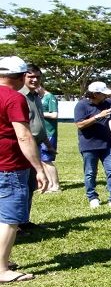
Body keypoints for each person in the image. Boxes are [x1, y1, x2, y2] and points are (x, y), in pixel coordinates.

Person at [0, 56, 48, 283]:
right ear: (20, 77)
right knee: (10, 218)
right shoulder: (14, 98)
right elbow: (23, 135)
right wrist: (38, 168)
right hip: (9, 165)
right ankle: (1, 269)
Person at [74, 81, 111, 209]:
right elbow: (79, 125)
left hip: (108, 144)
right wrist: (98, 117)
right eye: (103, 94)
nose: (106, 96)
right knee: (90, 173)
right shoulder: (81, 105)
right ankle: (92, 197)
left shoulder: (107, 102)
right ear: (95, 94)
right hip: (89, 145)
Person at [18, 64, 53, 232]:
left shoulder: (36, 96)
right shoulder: (19, 96)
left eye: (38, 77)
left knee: (30, 185)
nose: (34, 80)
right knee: (19, 186)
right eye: (30, 76)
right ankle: (14, 224)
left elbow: (39, 123)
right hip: (22, 147)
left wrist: (47, 144)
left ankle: (24, 220)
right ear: (22, 77)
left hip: (36, 145)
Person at [38, 85, 61, 192]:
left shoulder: (50, 97)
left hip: (50, 133)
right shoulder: (39, 98)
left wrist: (39, 114)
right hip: (42, 133)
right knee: (42, 160)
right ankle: (50, 184)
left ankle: (56, 185)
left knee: (47, 159)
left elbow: (54, 114)